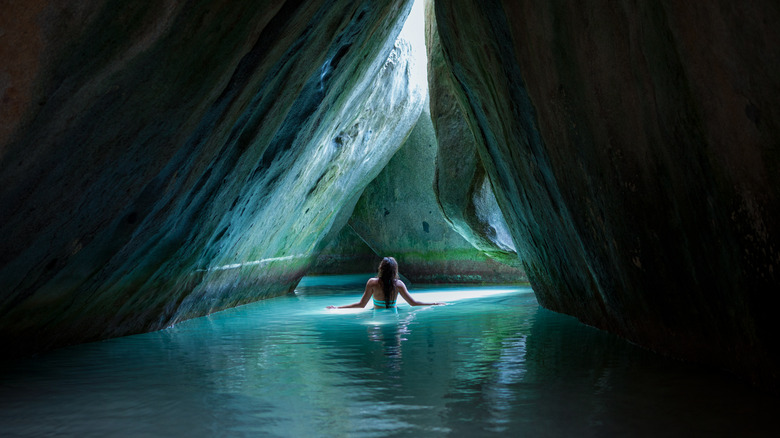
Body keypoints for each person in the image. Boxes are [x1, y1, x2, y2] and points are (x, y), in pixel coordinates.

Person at [327, 257, 444, 309]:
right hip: (394, 313)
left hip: (377, 313)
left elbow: (361, 305)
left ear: (381, 268)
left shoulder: (372, 283)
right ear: (395, 270)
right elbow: (413, 303)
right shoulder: (399, 284)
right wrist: (434, 303)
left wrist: (338, 307)